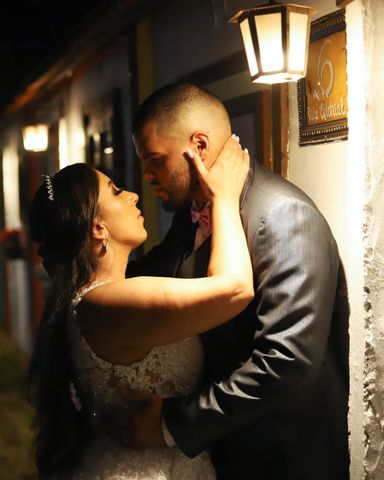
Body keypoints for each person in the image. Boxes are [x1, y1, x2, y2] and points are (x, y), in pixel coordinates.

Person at [119, 83, 349, 480]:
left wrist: (175, 424)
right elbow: (156, 274)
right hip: (222, 456)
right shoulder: (191, 212)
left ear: (200, 146)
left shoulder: (282, 216)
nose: (147, 175)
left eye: (155, 159)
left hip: (283, 459)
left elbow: (286, 362)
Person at [27, 134, 251, 479]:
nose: (132, 194)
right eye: (116, 191)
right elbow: (235, 289)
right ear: (98, 228)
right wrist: (225, 197)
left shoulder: (107, 295)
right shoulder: (107, 304)